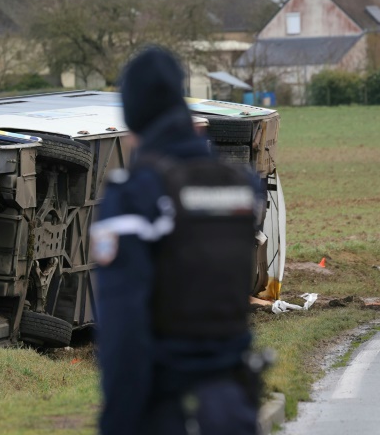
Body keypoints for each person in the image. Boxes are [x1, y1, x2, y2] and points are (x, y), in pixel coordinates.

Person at [91, 46, 263, 435]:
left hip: (165, 409)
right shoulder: (241, 186)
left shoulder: (135, 197)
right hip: (231, 408)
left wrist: (118, 422)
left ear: (133, 116)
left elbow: (123, 332)